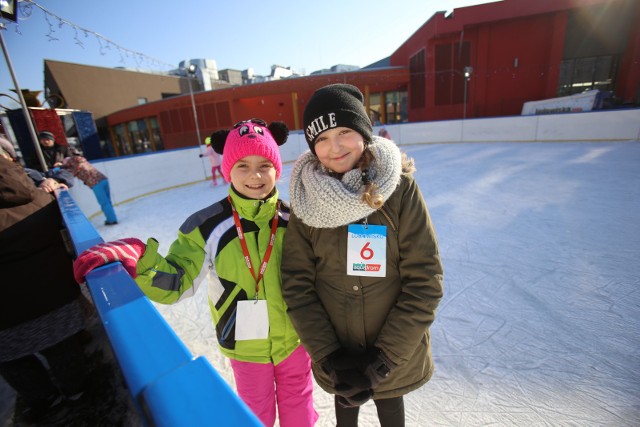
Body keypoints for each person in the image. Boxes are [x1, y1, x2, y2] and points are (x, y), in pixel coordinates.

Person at [72, 119, 318, 427]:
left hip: (295, 340)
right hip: (245, 345)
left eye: (264, 164)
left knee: (301, 408)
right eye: (242, 165)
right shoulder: (205, 226)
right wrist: (141, 260)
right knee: (255, 413)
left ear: (277, 168)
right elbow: (176, 280)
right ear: (228, 168)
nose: (255, 175)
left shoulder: (295, 221)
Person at [281, 84, 444, 427]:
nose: (334, 147)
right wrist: (329, 356)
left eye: (344, 132)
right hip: (337, 351)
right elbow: (297, 285)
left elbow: (424, 281)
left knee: (391, 409)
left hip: (394, 352)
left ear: (364, 132)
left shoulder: (399, 189)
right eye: (321, 138)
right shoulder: (306, 203)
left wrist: (382, 361)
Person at [0, 149, 91, 424]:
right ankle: (77, 391)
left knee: (14, 362)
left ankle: (42, 397)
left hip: (4, 317)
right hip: (56, 299)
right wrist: (50, 189)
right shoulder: (42, 199)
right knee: (64, 350)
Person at [62, 150, 118, 225]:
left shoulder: (74, 166)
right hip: (103, 179)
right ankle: (112, 217)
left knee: (104, 202)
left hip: (95, 183)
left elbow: (70, 173)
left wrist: (59, 168)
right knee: (107, 201)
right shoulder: (82, 160)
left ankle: (111, 220)